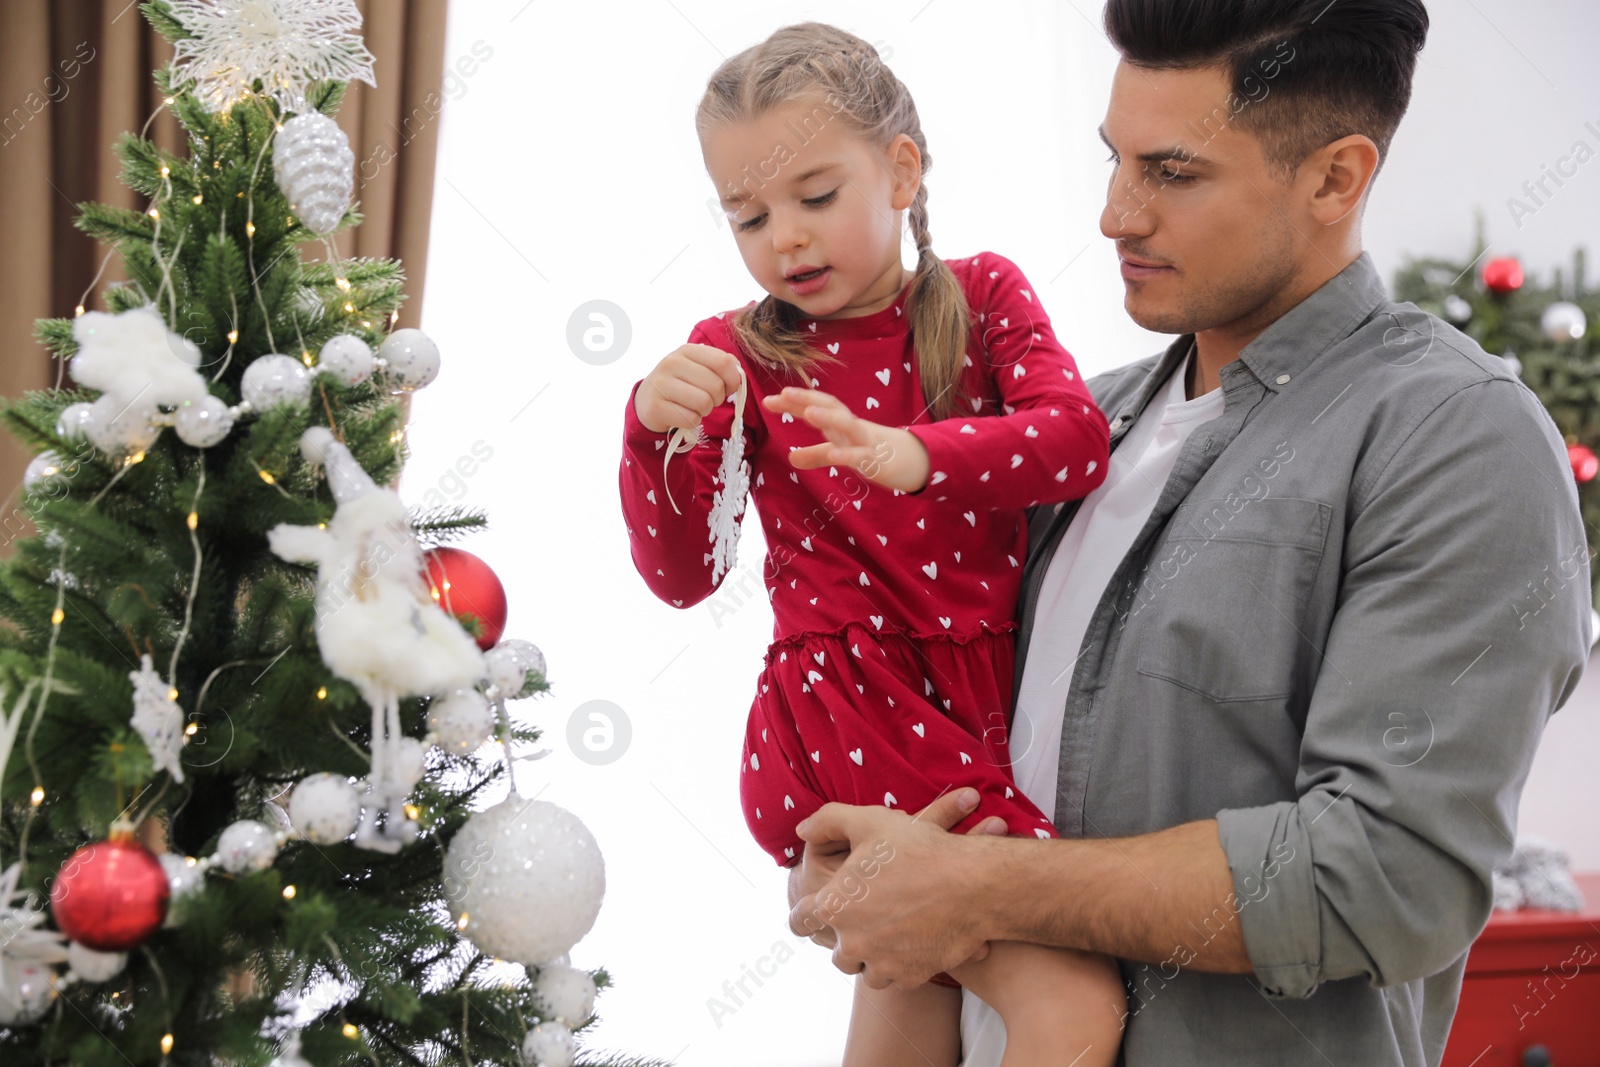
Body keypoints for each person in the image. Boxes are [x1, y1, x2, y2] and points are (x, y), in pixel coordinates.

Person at [785, 1, 1593, 1065]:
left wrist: (971, 884)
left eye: (1171, 174)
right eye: (1113, 159)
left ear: (1335, 179)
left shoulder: (1454, 437)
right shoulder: (1074, 429)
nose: (1115, 214)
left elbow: (1386, 875)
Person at [617, 21, 1128, 1067]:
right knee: (1072, 1002)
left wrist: (913, 454)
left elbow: (1075, 442)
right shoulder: (737, 353)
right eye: (747, 215)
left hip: (979, 697)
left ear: (901, 170)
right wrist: (650, 430)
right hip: (857, 710)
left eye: (813, 196)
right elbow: (682, 576)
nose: (784, 239)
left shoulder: (982, 296)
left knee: (911, 998)